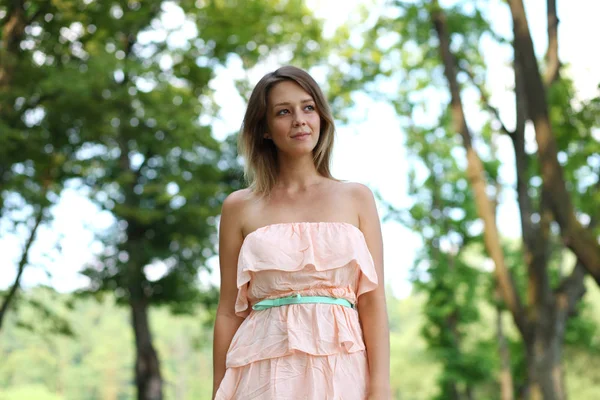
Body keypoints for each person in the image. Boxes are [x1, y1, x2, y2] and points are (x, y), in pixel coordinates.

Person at [212, 65, 390, 400]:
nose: (299, 119)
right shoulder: (239, 207)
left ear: (321, 117)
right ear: (264, 128)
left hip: (343, 370)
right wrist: (217, 391)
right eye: (283, 111)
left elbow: (372, 300)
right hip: (264, 372)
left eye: (308, 107)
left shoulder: (357, 198)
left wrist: (380, 386)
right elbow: (227, 312)